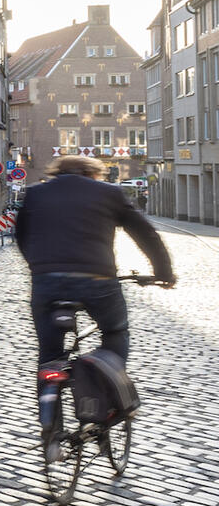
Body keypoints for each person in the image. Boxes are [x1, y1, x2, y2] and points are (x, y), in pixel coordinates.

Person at [14, 154, 174, 372]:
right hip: (98, 279)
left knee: (49, 354)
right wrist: (163, 272)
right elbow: (146, 234)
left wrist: (38, 266)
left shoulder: (35, 193)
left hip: (47, 282)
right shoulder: (110, 193)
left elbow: (22, 236)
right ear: (93, 174)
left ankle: (48, 398)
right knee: (114, 331)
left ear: (56, 172)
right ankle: (111, 386)